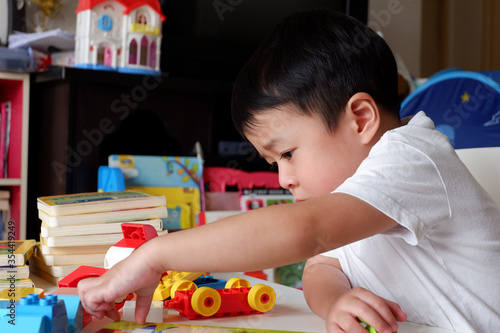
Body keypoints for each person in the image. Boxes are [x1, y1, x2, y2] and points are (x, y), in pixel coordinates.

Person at [78, 9, 500, 333]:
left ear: (360, 118)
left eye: (289, 153)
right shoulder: (347, 195)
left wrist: (155, 255)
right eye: (274, 163)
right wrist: (335, 301)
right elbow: (320, 268)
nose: (283, 178)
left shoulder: (413, 157)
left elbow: (303, 233)